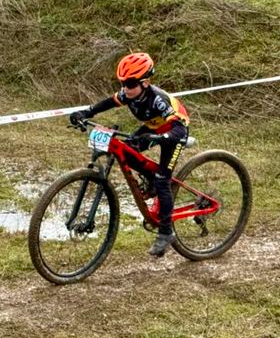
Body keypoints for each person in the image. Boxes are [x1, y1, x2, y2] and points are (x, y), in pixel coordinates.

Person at [68, 53, 189, 258]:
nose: (125, 88)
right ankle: (151, 180)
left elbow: (179, 129)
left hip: (174, 132)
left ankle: (166, 231)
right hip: (153, 128)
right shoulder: (128, 94)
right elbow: (108, 102)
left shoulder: (158, 100)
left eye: (130, 83)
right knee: (127, 151)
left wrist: (160, 138)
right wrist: (86, 113)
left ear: (145, 82)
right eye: (122, 83)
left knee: (163, 180)